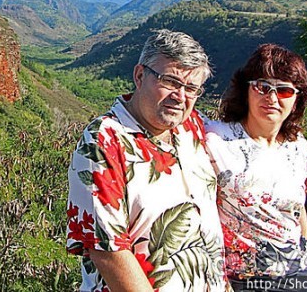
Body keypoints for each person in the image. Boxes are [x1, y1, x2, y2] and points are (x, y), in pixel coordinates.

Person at [67, 29, 227, 292]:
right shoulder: (104, 140)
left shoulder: (193, 127)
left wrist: (300, 156)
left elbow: (248, 139)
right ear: (140, 76)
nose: (180, 96)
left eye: (191, 88)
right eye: (170, 82)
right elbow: (109, 251)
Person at [204, 44, 307, 292]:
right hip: (242, 279)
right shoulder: (214, 138)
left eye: (283, 91)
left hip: (298, 271)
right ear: (246, 90)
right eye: (262, 87)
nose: (271, 98)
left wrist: (304, 249)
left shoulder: (298, 146)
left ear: (296, 99)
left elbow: (296, 209)